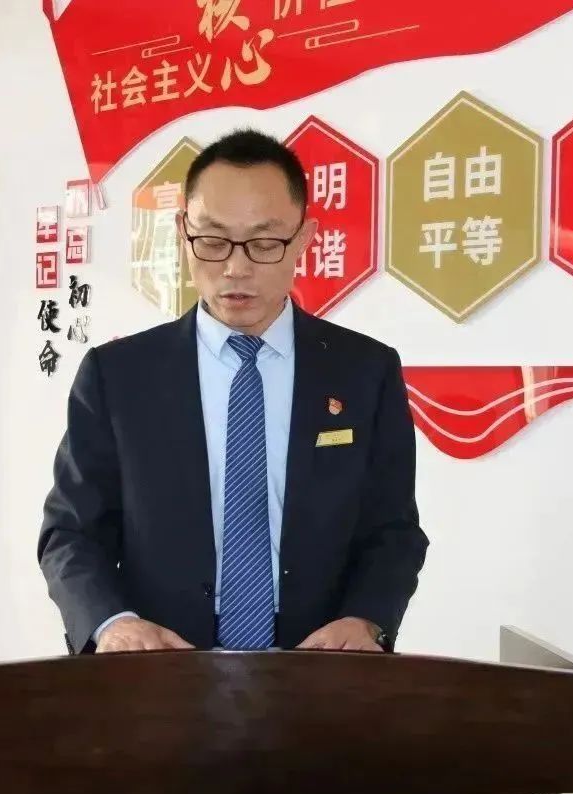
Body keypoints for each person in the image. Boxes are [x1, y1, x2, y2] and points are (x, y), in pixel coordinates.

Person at [38, 129, 428, 655]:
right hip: (160, 668)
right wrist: (112, 623)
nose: (235, 268)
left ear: (304, 238)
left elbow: (393, 530)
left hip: (320, 670)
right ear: (183, 232)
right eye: (213, 241)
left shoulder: (364, 371)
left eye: (265, 244)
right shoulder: (118, 376)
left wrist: (366, 621)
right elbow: (70, 532)